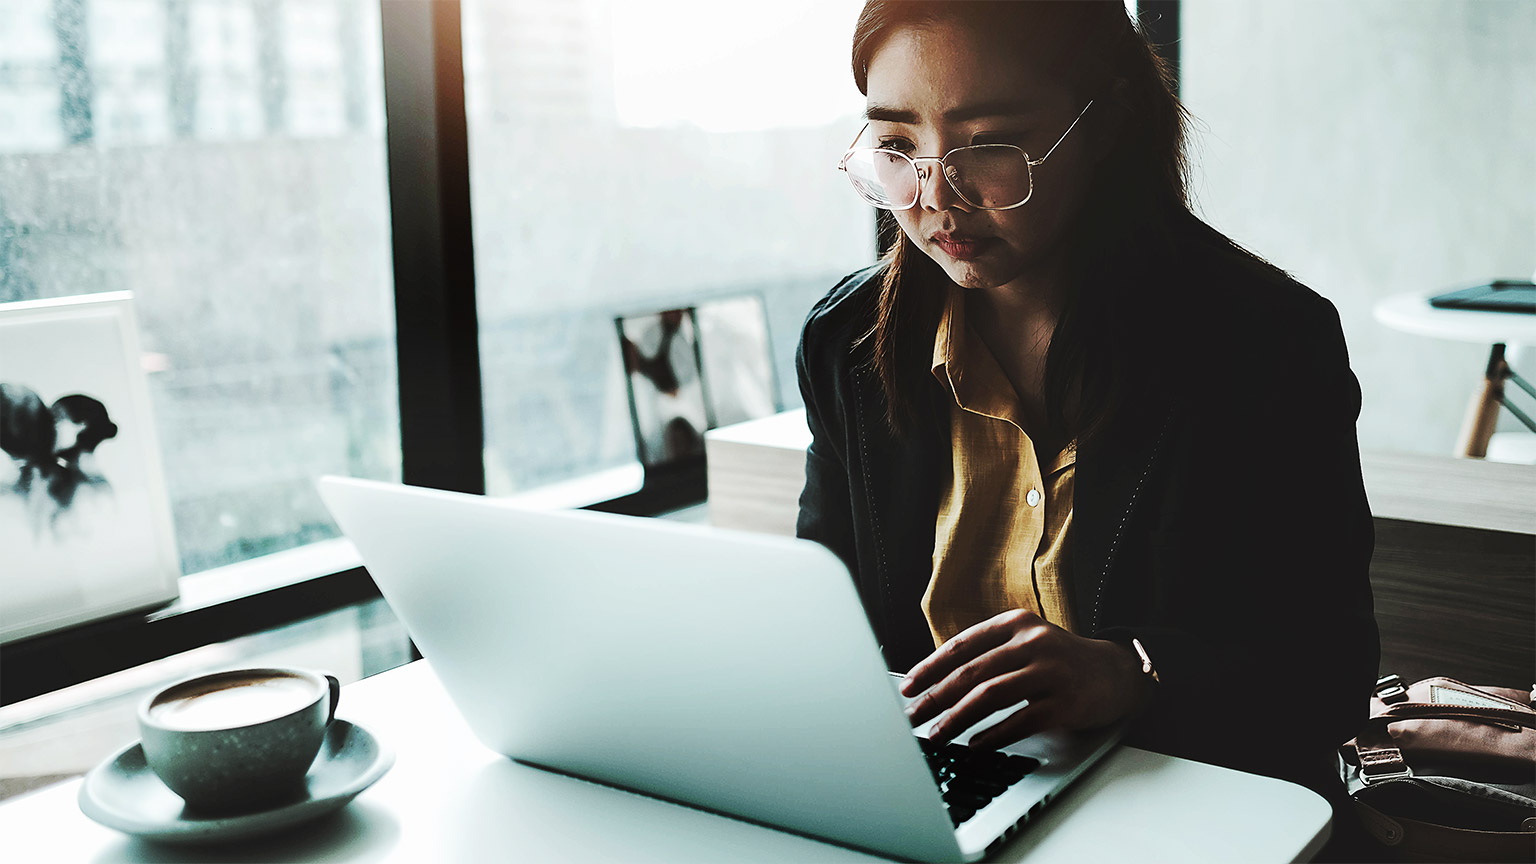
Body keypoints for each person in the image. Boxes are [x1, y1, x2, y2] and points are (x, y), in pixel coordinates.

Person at [796, 0, 1379, 853]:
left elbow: (1326, 674)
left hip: (1184, 797)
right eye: (896, 147)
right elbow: (829, 622)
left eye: (988, 144)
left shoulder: (1261, 344)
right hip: (941, 793)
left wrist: (1134, 672)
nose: (933, 196)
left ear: (1102, 125)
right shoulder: (847, 346)